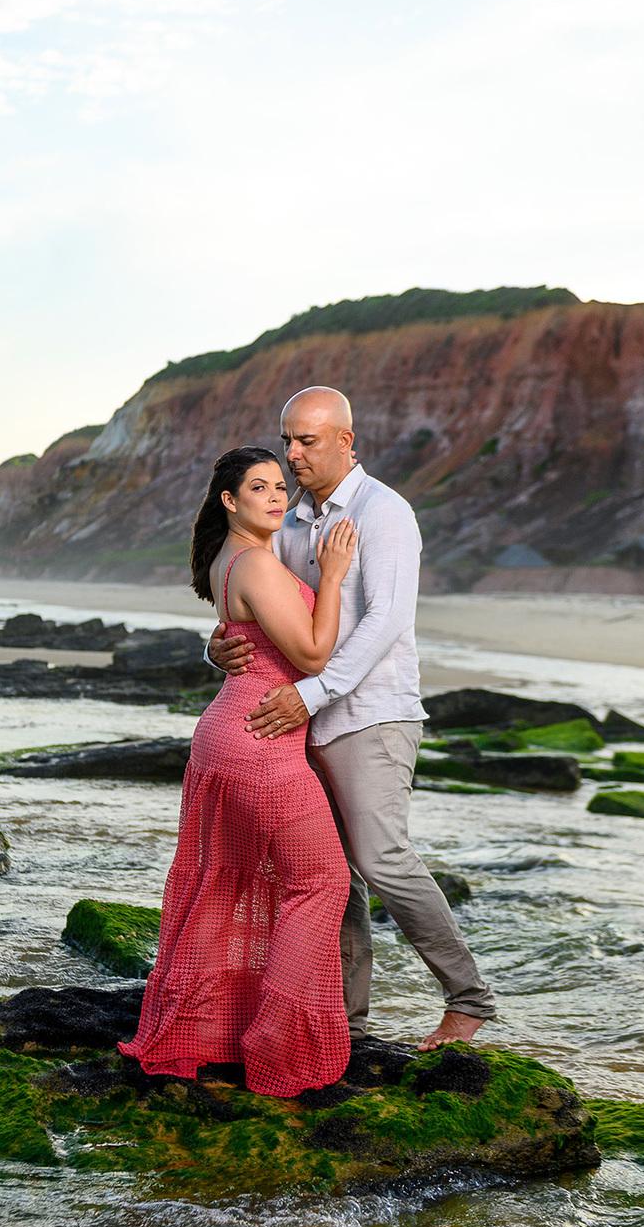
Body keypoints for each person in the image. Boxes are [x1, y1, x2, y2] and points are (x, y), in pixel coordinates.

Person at [207, 386, 496, 1052]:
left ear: (346, 441)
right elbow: (266, 608)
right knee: (329, 877)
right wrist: (213, 647)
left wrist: (312, 694)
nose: (294, 452)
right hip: (305, 723)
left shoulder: (384, 512)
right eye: (288, 439)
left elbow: (385, 621)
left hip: (370, 715)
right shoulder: (290, 518)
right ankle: (347, 1022)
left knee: (380, 857)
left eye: (307, 440)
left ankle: (468, 998)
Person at [119, 446, 359, 1098]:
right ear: (231, 500)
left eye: (281, 486)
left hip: (226, 736)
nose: (278, 497)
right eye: (260, 487)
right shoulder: (255, 562)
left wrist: (212, 647)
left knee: (224, 888)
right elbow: (311, 653)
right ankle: (274, 1042)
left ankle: (211, 1033)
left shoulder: (229, 561)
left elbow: (240, 635)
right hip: (261, 743)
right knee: (321, 882)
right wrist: (333, 574)